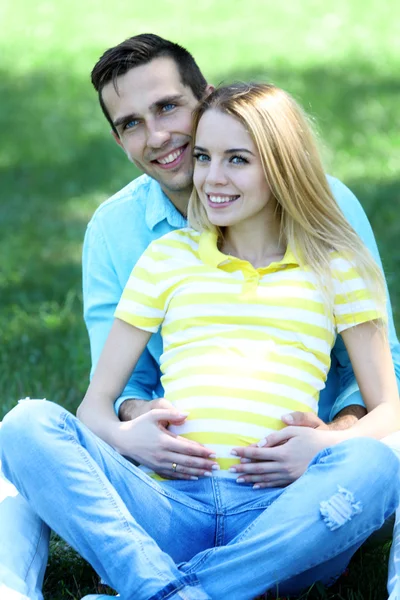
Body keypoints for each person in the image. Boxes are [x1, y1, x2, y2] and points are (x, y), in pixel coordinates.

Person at [0, 33, 399, 600]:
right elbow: (108, 396)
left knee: (379, 464)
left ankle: (164, 589)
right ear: (118, 139)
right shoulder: (143, 247)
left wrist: (333, 441)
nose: (159, 137)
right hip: (170, 494)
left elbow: (385, 391)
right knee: (23, 428)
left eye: (167, 107)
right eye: (131, 123)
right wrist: (132, 432)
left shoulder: (330, 234)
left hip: (290, 497)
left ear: (205, 101)